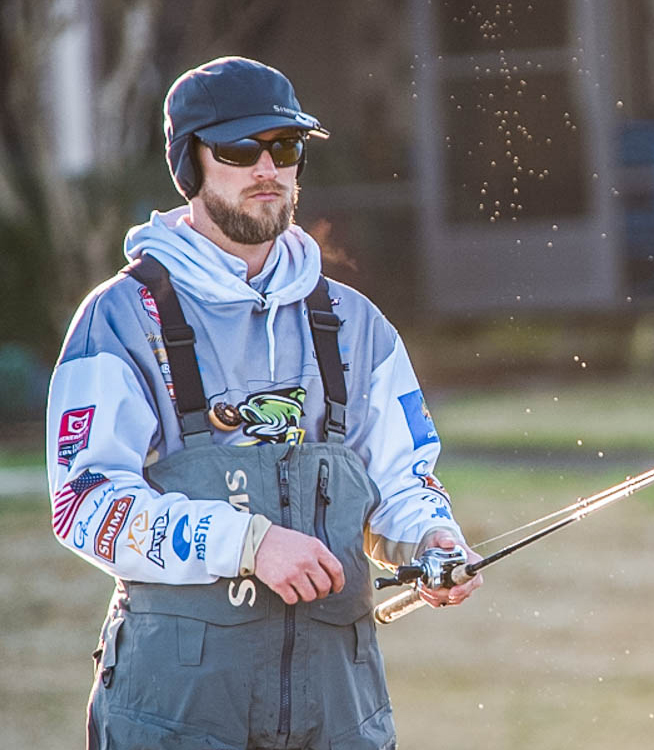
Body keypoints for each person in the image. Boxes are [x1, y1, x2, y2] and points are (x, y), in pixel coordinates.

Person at [45, 56, 480, 750]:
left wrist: (430, 538)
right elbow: (84, 504)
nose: (267, 169)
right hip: (175, 716)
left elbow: (402, 481)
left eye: (286, 147)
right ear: (190, 165)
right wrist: (248, 544)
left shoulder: (360, 324)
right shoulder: (120, 320)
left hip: (342, 710)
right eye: (239, 150)